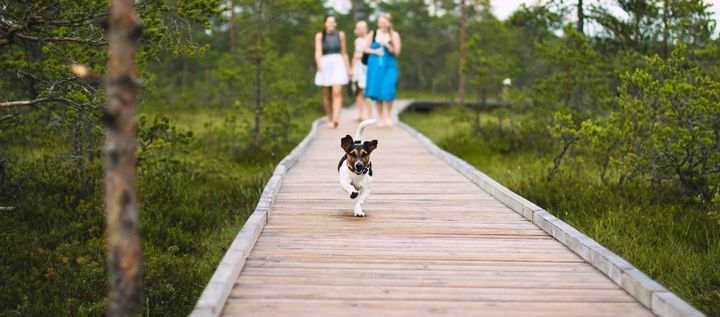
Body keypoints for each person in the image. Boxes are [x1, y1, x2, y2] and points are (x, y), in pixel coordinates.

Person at [315, 15, 352, 128]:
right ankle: (330, 117)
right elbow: (318, 51)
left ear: (335, 24)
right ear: (325, 23)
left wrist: (348, 69)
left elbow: (344, 53)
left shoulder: (341, 35)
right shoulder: (320, 36)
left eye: (333, 22)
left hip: (338, 63)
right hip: (325, 63)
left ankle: (336, 118)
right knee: (326, 94)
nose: (331, 24)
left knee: (337, 92)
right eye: (328, 21)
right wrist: (319, 64)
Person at [364, 13, 401, 127]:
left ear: (389, 23)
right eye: (380, 22)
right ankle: (380, 117)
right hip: (375, 66)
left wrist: (388, 46)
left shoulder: (394, 35)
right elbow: (366, 49)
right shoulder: (373, 33)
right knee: (378, 91)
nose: (382, 25)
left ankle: (389, 115)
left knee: (388, 90)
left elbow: (397, 52)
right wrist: (375, 51)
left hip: (389, 65)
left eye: (385, 22)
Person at [351, 21, 371, 121]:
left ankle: (369, 114)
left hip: (366, 67)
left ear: (366, 28)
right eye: (358, 28)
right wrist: (351, 69)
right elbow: (355, 55)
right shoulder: (357, 40)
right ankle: (360, 114)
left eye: (362, 27)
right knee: (358, 92)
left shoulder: (370, 39)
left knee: (366, 91)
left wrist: (361, 55)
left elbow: (370, 53)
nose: (360, 30)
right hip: (357, 68)